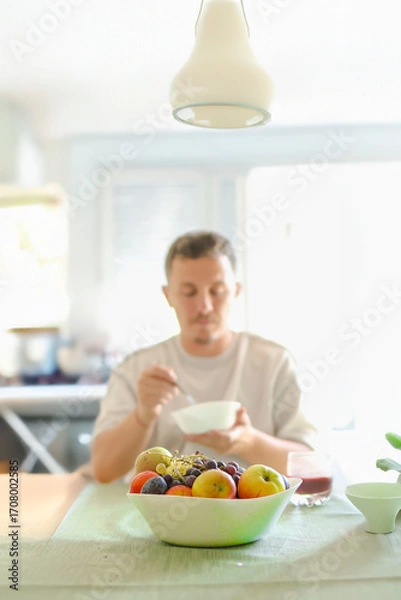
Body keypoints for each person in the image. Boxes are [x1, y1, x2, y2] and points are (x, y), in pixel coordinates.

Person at [91, 231, 317, 483]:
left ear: (236, 291)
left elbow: (310, 466)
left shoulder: (273, 363)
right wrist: (143, 414)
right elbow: (104, 470)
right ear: (168, 296)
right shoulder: (137, 370)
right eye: (189, 292)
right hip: (163, 517)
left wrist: (247, 441)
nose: (204, 306)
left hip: (251, 516)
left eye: (217, 291)